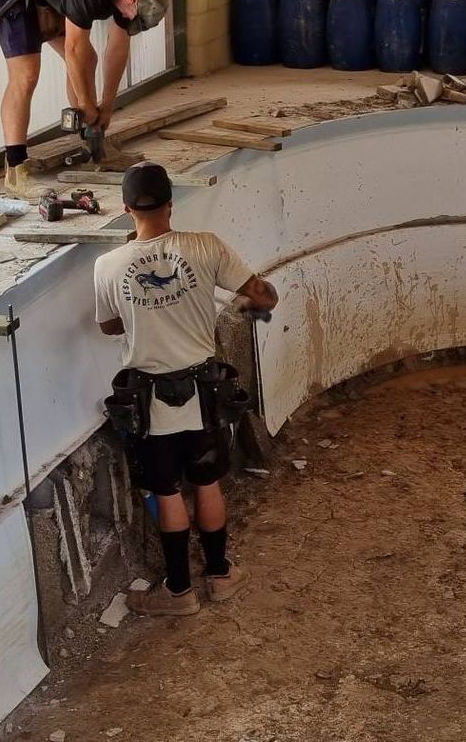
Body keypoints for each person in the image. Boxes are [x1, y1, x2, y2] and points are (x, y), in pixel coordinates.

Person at [94, 163, 278, 617]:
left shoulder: (108, 265)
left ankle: (178, 593)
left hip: (149, 398)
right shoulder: (205, 247)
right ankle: (220, 576)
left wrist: (144, 310)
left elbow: (108, 326)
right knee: (207, 482)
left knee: (167, 490)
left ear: (126, 209)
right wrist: (247, 302)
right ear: (171, 205)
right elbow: (263, 296)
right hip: (203, 391)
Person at [0, 0, 168, 201]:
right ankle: (15, 170)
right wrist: (85, 105)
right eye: (134, 18)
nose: (131, 22)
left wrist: (106, 106)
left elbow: (117, 49)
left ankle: (93, 145)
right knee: (27, 73)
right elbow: (73, 47)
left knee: (88, 59)